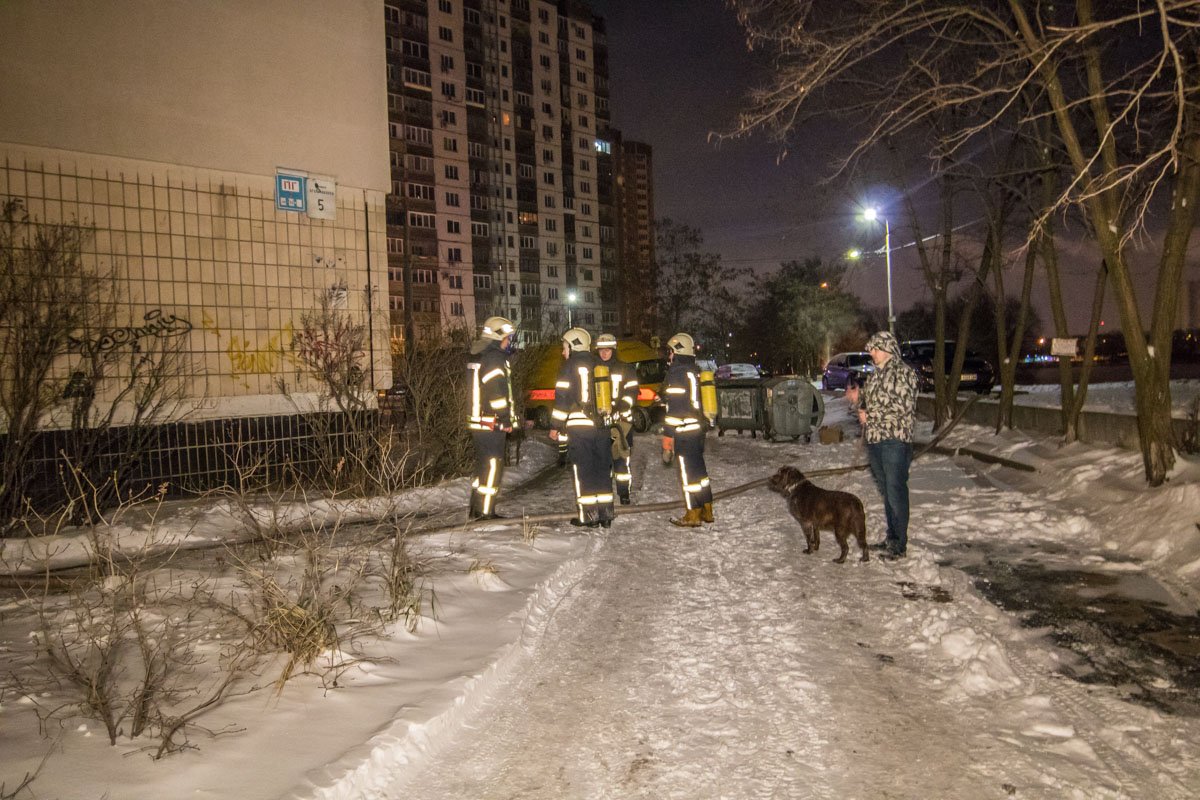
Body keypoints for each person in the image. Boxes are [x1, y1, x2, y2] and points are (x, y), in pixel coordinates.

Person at [857, 330, 919, 559]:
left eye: (875, 349)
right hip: (875, 441)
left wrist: (870, 416)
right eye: (871, 349)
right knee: (887, 491)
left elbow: (903, 408)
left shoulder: (903, 374)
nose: (871, 353)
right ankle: (891, 537)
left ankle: (899, 544)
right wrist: (860, 404)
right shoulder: (874, 376)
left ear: (887, 349)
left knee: (895, 491)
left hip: (895, 440)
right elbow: (868, 402)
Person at [550, 327, 616, 528]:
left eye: (565, 347)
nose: (563, 352)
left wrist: (555, 426)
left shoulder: (569, 366)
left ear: (573, 345)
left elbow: (562, 398)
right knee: (602, 469)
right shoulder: (600, 364)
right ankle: (605, 515)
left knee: (583, 470)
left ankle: (588, 516)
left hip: (580, 426)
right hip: (602, 426)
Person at [466, 316, 516, 521]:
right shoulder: (494, 358)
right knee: (493, 464)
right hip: (491, 422)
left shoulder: (479, 354)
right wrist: (504, 419)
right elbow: (496, 393)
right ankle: (486, 512)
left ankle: (476, 507)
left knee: (483, 466)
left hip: (479, 422)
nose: (509, 342)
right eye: (508, 338)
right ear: (498, 337)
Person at [663, 332, 714, 527]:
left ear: (676, 352)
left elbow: (675, 410)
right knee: (699, 471)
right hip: (697, 429)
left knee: (688, 474)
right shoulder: (694, 370)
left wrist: (668, 437)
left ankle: (692, 514)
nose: (669, 356)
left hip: (683, 430)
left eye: (670, 352)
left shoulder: (676, 373)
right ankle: (707, 510)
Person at [594, 333, 639, 505]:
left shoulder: (626, 369)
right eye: (601, 350)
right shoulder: (594, 370)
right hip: (600, 424)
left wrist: (620, 408)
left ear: (613, 350)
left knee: (621, 460)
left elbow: (632, 393)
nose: (604, 354)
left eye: (607, 350)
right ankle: (604, 495)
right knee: (603, 461)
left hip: (622, 423)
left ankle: (624, 493)